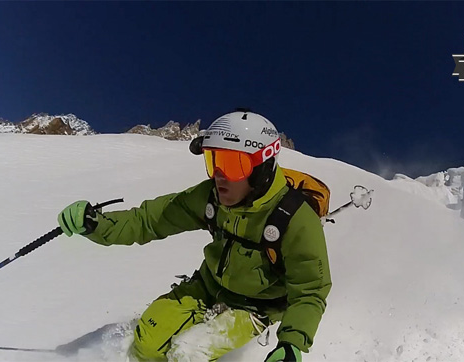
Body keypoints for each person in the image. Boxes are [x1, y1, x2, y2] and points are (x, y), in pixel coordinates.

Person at [57, 109, 332, 362]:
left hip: (256, 308)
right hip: (207, 288)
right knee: (145, 344)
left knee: (188, 354)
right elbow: (150, 220)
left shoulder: (296, 219)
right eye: (214, 161)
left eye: (233, 164)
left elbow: (310, 290)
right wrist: (97, 225)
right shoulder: (211, 196)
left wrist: (291, 343)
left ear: (261, 169)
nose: (220, 176)